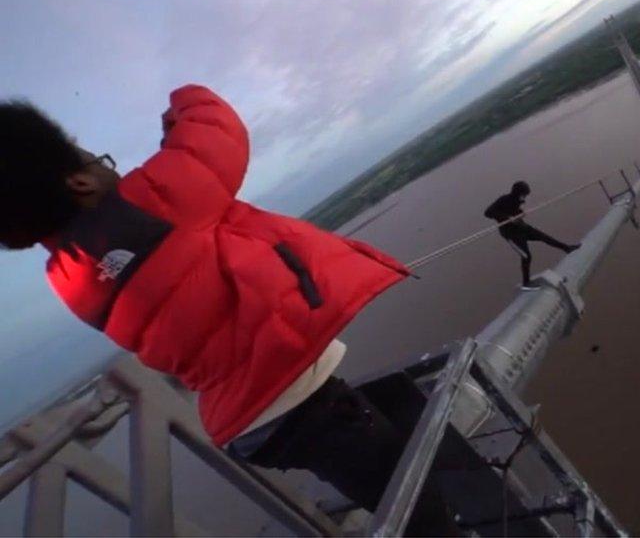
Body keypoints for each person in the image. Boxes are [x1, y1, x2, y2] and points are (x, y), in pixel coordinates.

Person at [0, 85, 458, 535]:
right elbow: (216, 132)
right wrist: (183, 101)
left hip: (256, 424)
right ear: (79, 182)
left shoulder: (68, 281)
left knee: (395, 483)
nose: (109, 167)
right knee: (423, 513)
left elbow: (169, 257)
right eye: (98, 161)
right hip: (304, 403)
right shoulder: (151, 201)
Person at [484, 181, 581, 290]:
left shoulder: (518, 200)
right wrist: (507, 218)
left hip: (521, 227)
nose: (524, 197)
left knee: (544, 237)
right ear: (517, 193)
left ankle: (567, 248)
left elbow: (515, 210)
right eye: (523, 194)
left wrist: (520, 212)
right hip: (510, 234)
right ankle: (526, 283)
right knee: (526, 256)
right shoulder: (503, 199)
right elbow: (487, 213)